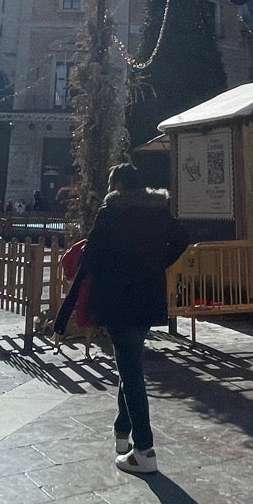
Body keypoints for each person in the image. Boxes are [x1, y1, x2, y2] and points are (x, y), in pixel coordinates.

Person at [69, 163, 191, 475]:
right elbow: (182, 238)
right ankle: (122, 434)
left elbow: (92, 257)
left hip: (118, 298)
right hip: (148, 297)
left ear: (117, 186)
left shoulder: (110, 213)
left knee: (131, 370)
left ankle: (144, 448)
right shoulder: (158, 211)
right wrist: (157, 263)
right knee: (129, 362)